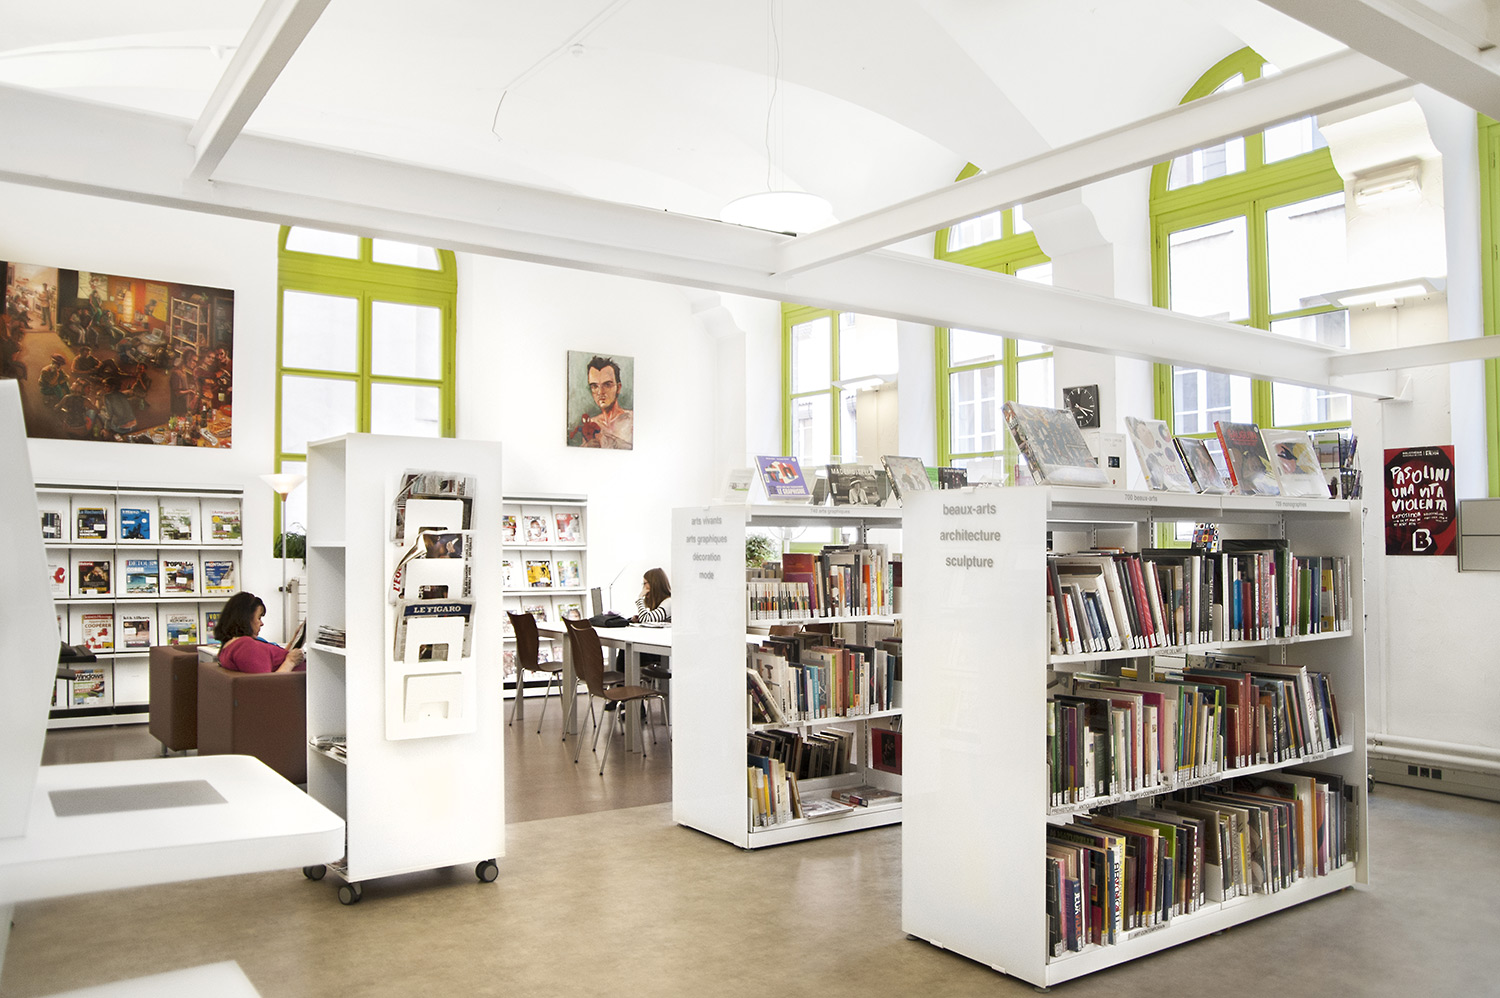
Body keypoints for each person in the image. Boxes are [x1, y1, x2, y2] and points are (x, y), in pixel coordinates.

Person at [214, 591, 305, 673]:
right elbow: (266, 683)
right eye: (259, 618)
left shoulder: (229, 647)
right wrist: (290, 662)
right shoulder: (246, 646)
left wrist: (294, 640)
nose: (261, 623)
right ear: (246, 619)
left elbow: (275, 662)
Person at [572, 355, 633, 449]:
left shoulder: (632, 419)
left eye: (607, 385)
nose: (600, 392)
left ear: (618, 388)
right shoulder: (590, 424)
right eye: (594, 386)